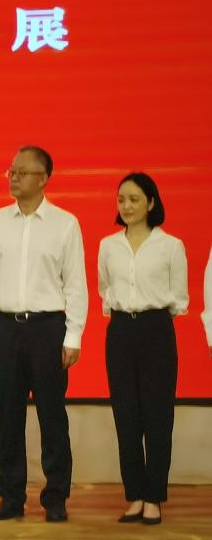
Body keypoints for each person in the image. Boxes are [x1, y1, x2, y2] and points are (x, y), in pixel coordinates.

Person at [0, 146, 87, 523]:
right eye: (11, 171)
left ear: (44, 178)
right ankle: (11, 496)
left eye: (22, 172)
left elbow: (76, 284)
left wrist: (73, 336)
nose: (14, 177)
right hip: (5, 328)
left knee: (52, 416)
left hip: (48, 328)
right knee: (8, 415)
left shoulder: (65, 224)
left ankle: (56, 496)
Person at [97, 173, 188, 525]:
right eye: (121, 199)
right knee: (126, 417)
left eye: (134, 199)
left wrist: (152, 318)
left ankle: (154, 497)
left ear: (151, 202)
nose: (127, 206)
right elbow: (105, 288)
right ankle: (134, 494)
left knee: (158, 417)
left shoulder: (171, 246)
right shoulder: (108, 245)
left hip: (156, 331)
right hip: (120, 331)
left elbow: (178, 298)